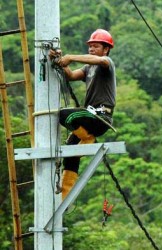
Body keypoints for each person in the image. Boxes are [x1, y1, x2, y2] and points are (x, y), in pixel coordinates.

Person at [50, 29, 116, 200]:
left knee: (65, 115)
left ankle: (87, 138)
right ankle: (65, 196)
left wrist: (71, 57)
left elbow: (100, 61)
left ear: (106, 49)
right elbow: (71, 75)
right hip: (89, 116)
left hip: (101, 116)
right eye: (90, 46)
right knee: (72, 150)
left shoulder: (106, 63)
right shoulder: (88, 68)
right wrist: (59, 61)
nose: (92, 49)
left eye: (96, 46)